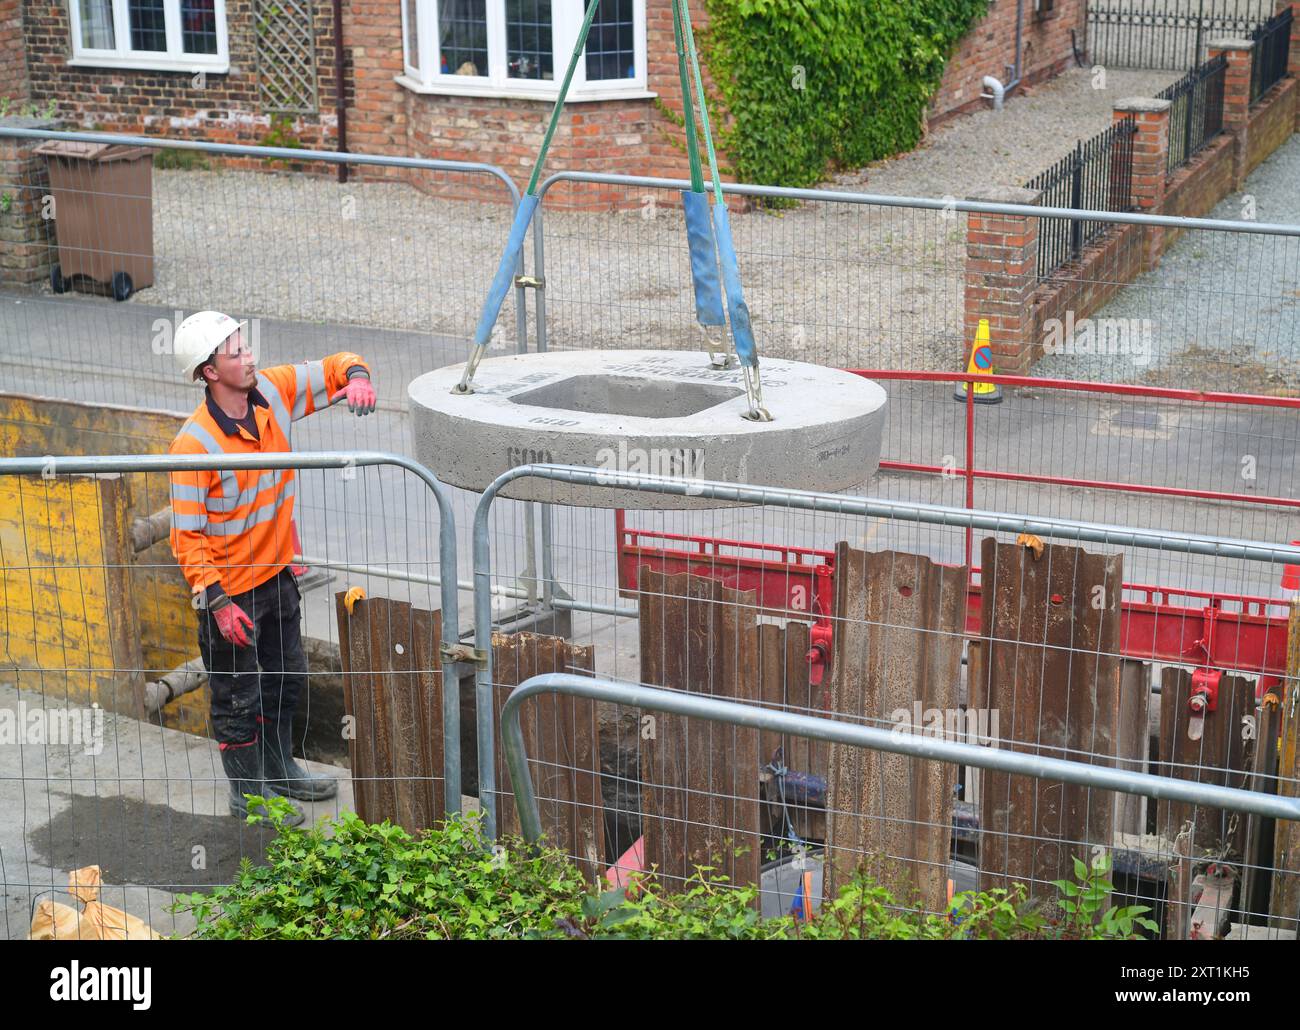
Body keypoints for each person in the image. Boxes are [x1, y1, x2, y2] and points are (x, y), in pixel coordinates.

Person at [166, 311, 377, 825]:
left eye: (245, 346)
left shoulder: (274, 394)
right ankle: (250, 796)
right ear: (210, 372)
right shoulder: (193, 446)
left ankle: (281, 771)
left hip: (277, 577)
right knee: (237, 697)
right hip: (230, 595)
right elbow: (187, 538)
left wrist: (357, 378)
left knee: (286, 678)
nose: (249, 357)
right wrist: (216, 604)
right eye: (235, 353)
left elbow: (334, 365)